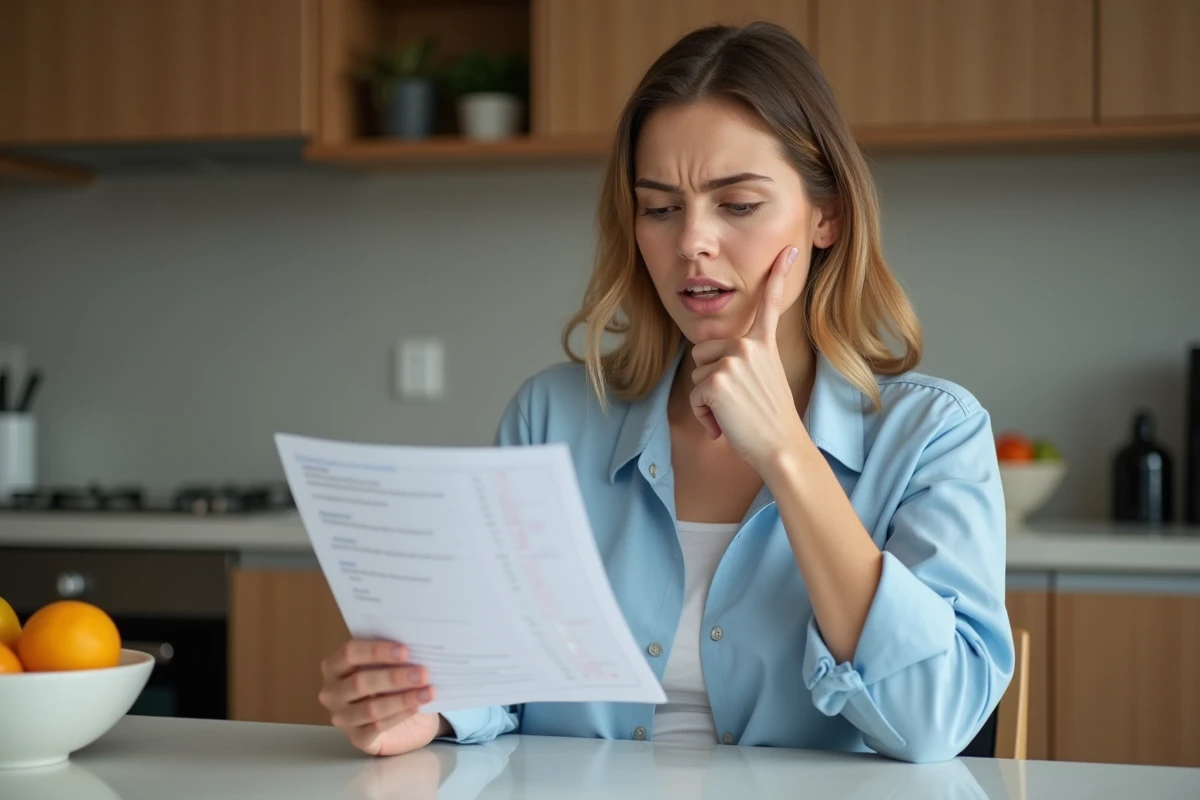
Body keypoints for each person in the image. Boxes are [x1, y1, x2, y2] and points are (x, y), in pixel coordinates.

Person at [317, 21, 1013, 764]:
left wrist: (786, 452)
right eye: (660, 208)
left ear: (826, 215)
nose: (692, 243)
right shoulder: (551, 418)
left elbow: (935, 720)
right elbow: (498, 672)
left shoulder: (935, 434)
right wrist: (425, 705)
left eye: (738, 205)